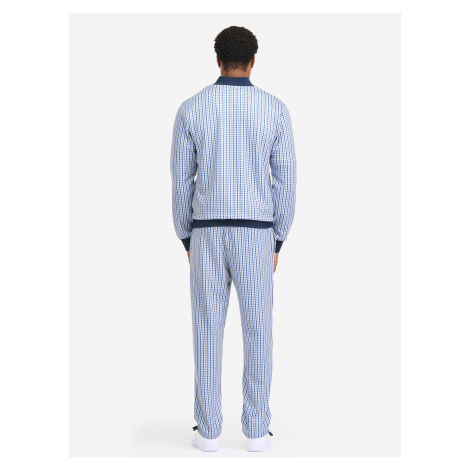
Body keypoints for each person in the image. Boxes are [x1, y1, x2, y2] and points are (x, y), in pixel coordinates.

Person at [170, 25, 297, 452]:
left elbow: (180, 182)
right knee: (259, 328)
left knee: (206, 328)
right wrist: (277, 239)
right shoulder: (274, 109)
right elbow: (286, 181)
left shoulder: (191, 109)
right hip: (256, 233)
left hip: (206, 230)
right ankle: (257, 431)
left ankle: (208, 432)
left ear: (217, 59)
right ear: (253, 60)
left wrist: (187, 237)